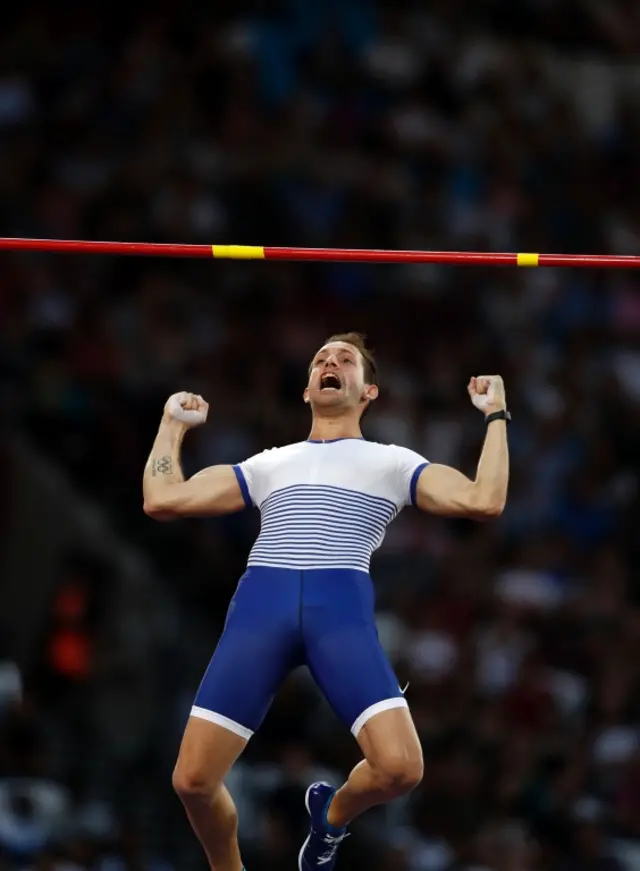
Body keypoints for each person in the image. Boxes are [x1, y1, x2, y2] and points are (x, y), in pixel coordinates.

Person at [142, 332, 510, 871]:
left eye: (345, 359)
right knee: (192, 781)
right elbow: (162, 498)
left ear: (369, 392)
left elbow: (484, 499)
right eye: (320, 359)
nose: (330, 362)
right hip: (260, 610)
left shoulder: (392, 462)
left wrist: (496, 415)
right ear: (307, 390)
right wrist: (171, 424)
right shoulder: (270, 464)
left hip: (338, 613)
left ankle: (331, 818)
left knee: (400, 769)